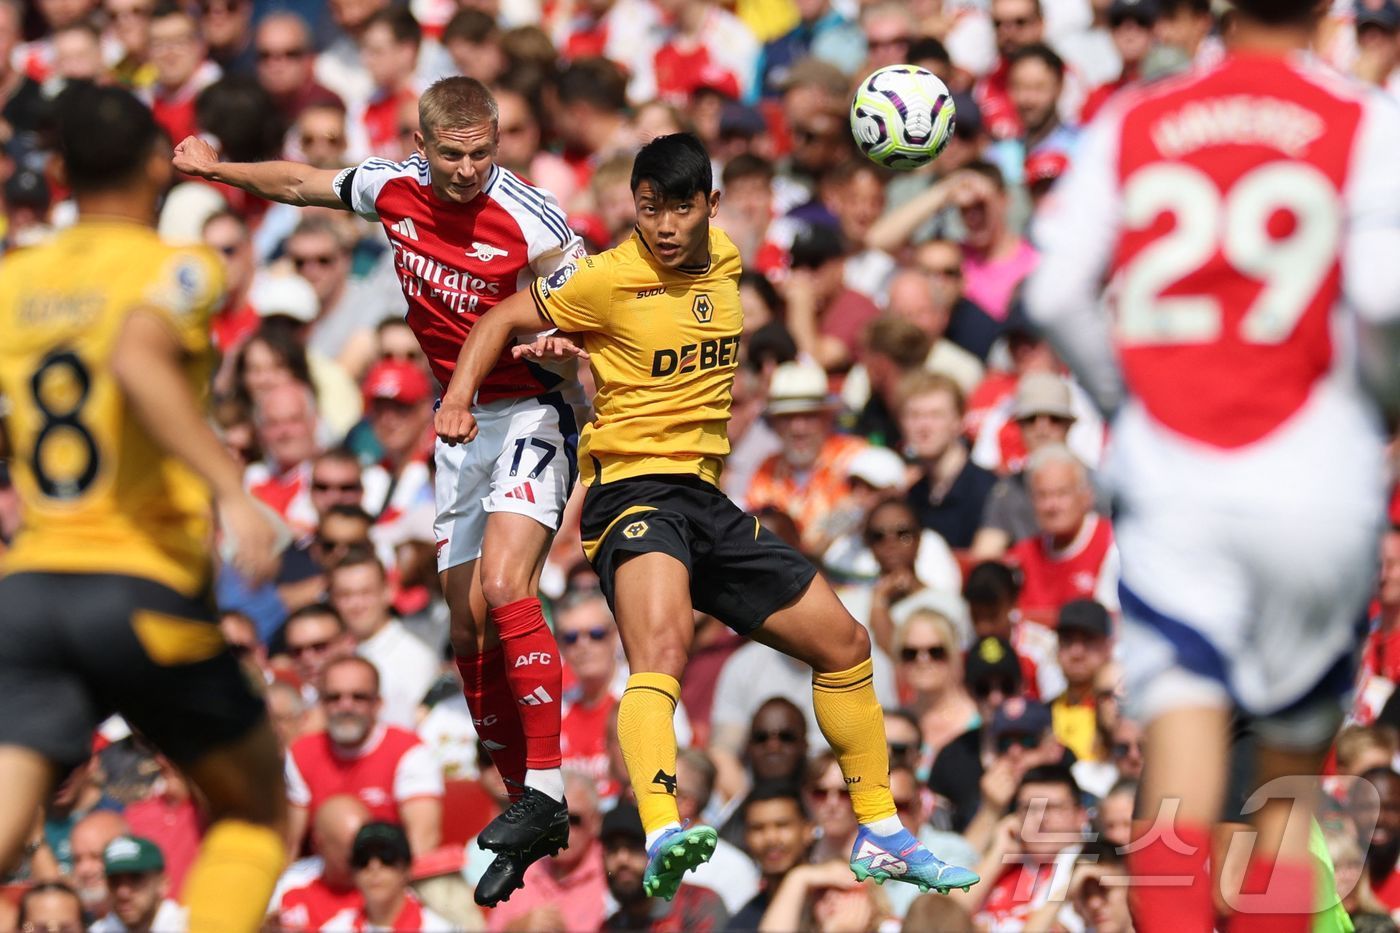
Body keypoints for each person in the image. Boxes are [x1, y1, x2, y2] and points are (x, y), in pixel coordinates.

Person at [435, 132, 980, 901]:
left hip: (707, 498)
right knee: (661, 648)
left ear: (710, 208)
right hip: (632, 493)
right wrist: (460, 398)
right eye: (648, 207)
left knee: (846, 642)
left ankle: (881, 830)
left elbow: (823, 247)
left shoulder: (725, 258)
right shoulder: (606, 277)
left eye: (679, 208)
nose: (660, 225)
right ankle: (661, 826)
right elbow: (498, 319)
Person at [1025, 0, 1400, 927]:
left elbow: (1054, 290)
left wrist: (1130, 402)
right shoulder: (1364, 119)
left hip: (1180, 473)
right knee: (1285, 774)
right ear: (1324, 11)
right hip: (1311, 473)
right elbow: (1386, 303)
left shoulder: (1137, 118)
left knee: (1179, 766)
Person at [174, 74, 588, 904]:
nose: (470, 170)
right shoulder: (389, 187)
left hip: (527, 413)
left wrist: (563, 345)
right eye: (453, 156)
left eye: (483, 152)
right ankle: (525, 805)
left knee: (509, 586)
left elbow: (592, 305)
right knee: (466, 630)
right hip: (454, 422)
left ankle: (549, 784)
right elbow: (297, 183)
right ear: (421, 148)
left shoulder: (535, 217)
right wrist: (220, 172)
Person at [0, 83, 286, 933]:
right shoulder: (178, 266)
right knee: (257, 805)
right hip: (136, 587)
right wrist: (231, 488)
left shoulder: (14, 278)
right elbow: (135, 357)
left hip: (29, 589)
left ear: (56, 171)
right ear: (158, 166)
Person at [284, 656, 443, 858]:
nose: (346, 706)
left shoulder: (409, 751)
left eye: (358, 697)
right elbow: (290, 845)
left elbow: (422, 844)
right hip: (324, 873)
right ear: (321, 704)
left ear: (378, 703)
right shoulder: (300, 753)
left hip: (390, 872)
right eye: (334, 697)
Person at [601, 801, 731, 931]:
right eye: (612, 849)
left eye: (634, 847)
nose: (622, 860)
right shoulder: (610, 927)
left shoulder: (699, 905)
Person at [89, 836, 186, 933]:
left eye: (135, 878)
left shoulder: (192, 926)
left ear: (163, 884)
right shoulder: (99, 930)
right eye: (114, 881)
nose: (123, 893)